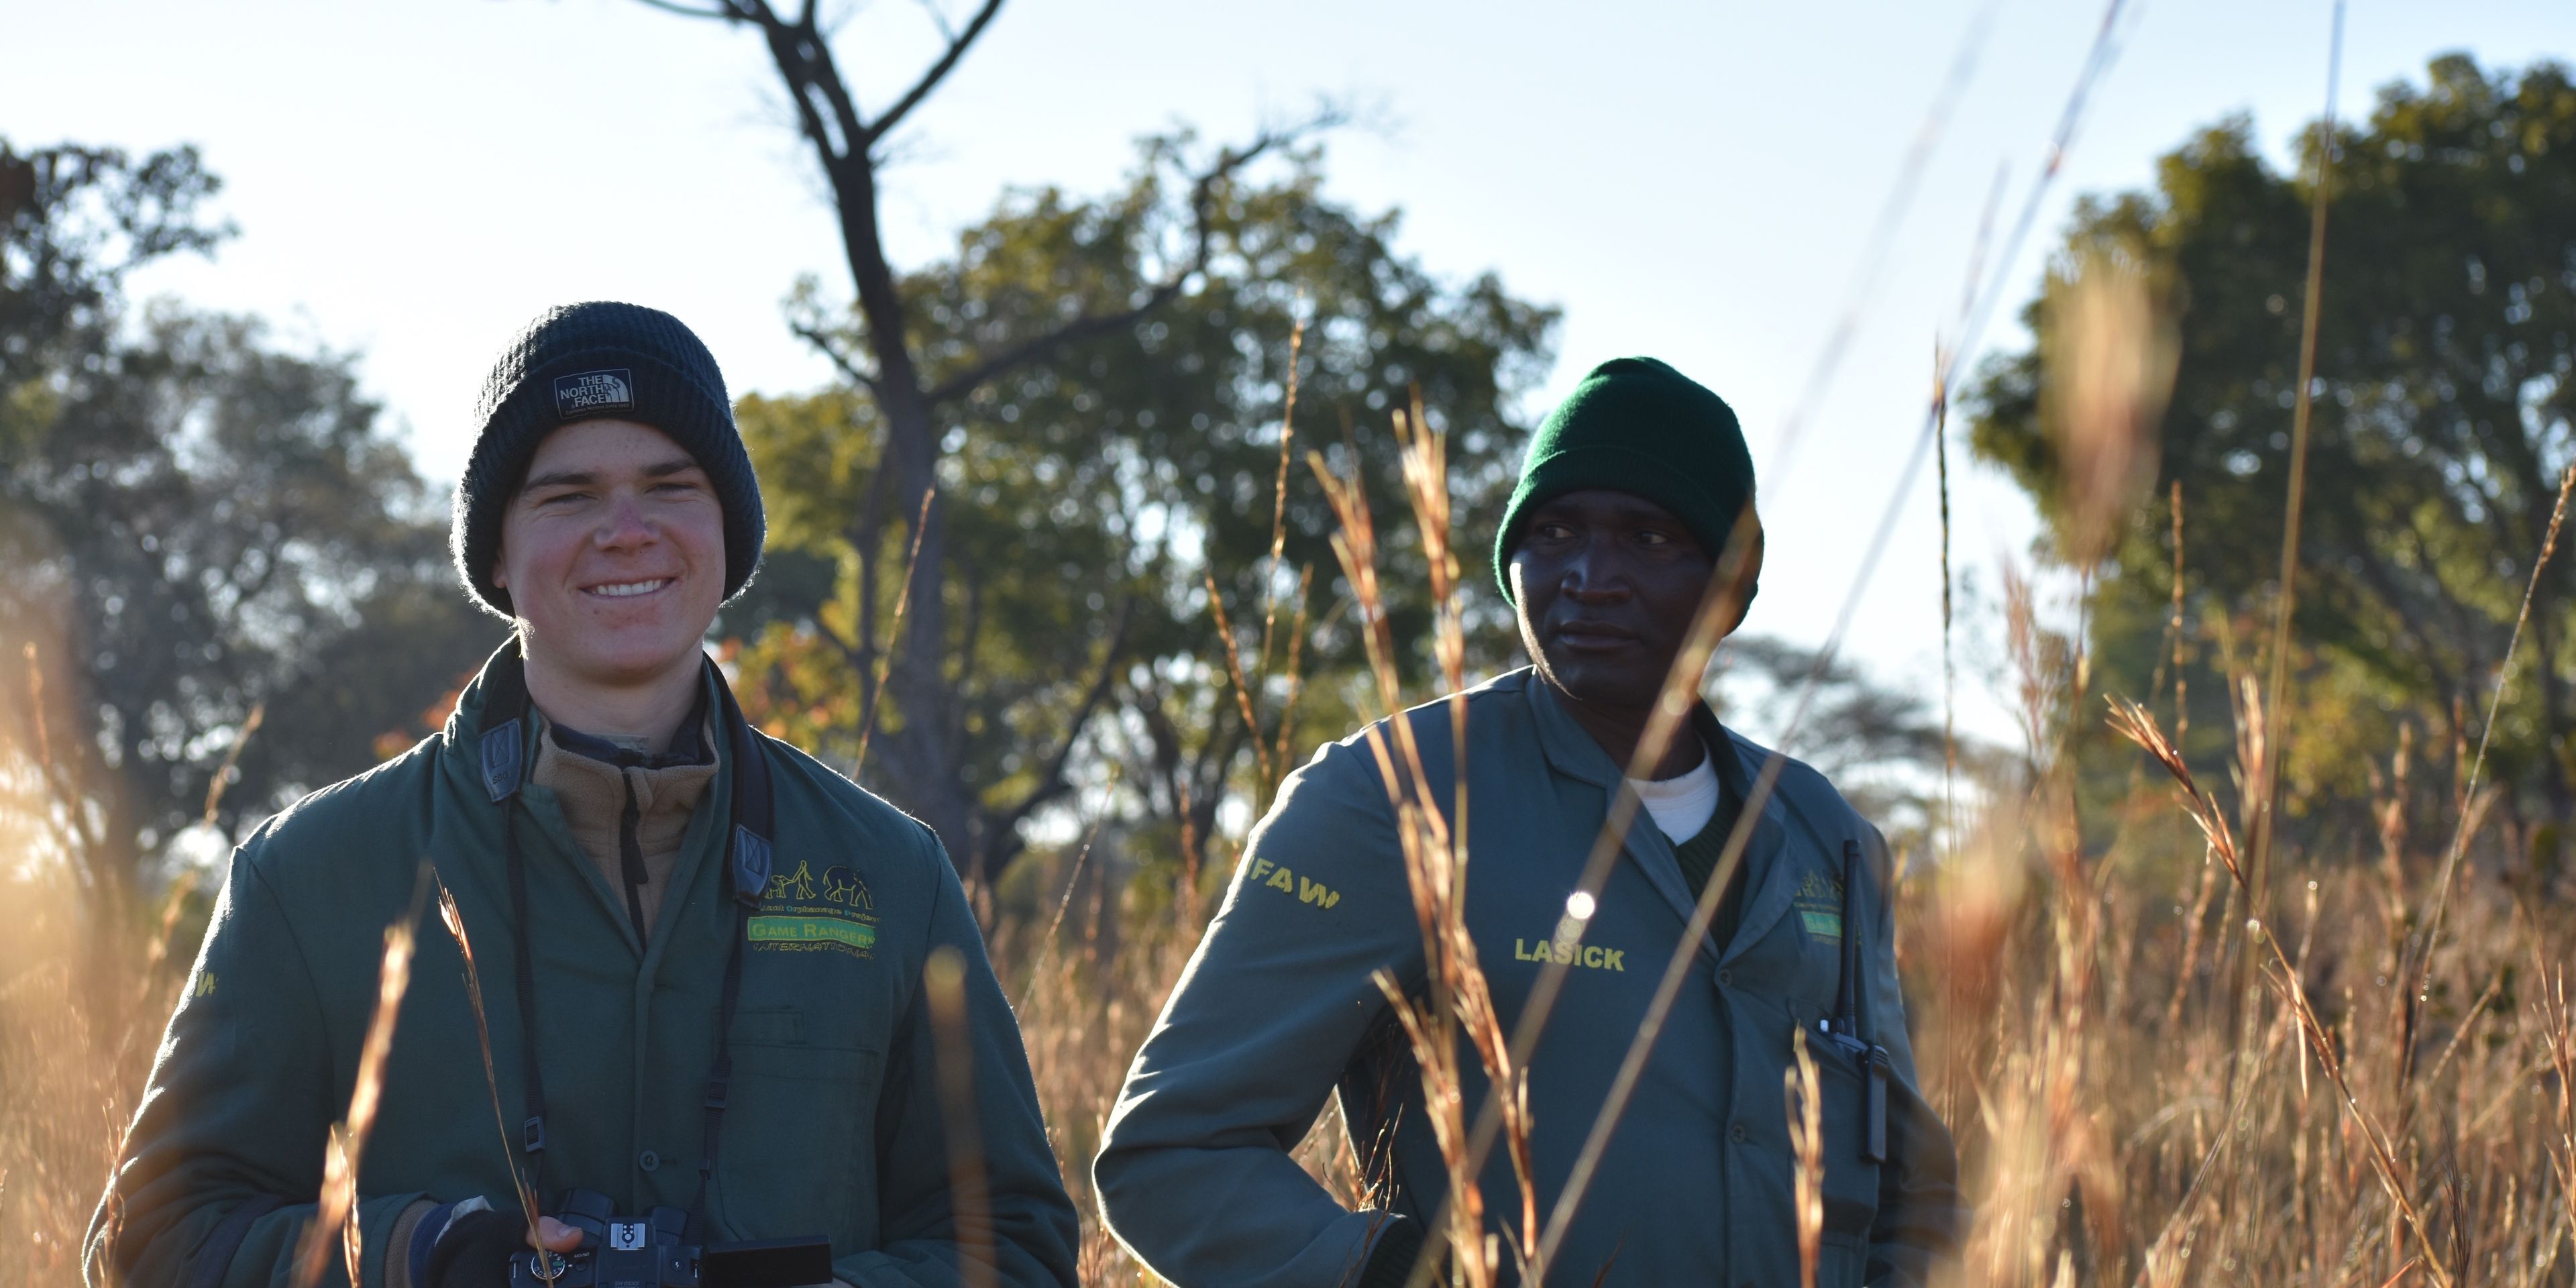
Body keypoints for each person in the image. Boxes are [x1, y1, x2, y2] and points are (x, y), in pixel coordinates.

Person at [87, 303, 1080, 1288]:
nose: (627, 531)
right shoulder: (309, 875)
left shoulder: (888, 871)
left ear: (727, 533)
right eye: (568, 496)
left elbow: (1019, 1246)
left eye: (670, 486)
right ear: (498, 558)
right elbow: (148, 1243)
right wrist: (413, 1254)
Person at [1093, 357, 1964, 1287]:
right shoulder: (1392, 798)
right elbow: (1173, 1150)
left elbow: (1913, 1191)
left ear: (1731, 580)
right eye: (1553, 532)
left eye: (1650, 537)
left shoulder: (1823, 832)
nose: (1593, 577)